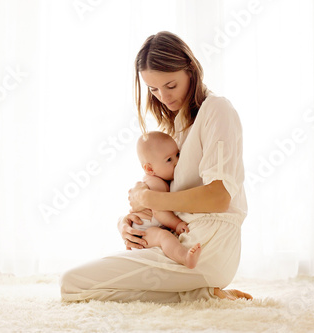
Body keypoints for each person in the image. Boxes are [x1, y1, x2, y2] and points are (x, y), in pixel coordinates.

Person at [60, 31, 252, 302]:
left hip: (209, 244)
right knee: (78, 284)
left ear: (191, 70)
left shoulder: (216, 110)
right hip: (176, 240)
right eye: (153, 89)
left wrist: (153, 198)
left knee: (73, 283)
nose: (163, 96)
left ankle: (200, 290)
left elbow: (219, 197)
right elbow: (160, 200)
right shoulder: (173, 127)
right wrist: (128, 224)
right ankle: (202, 295)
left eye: (170, 85)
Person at [133, 131, 201, 269]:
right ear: (149, 169)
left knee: (165, 236)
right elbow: (159, 211)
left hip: (151, 226)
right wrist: (176, 224)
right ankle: (185, 257)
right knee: (164, 237)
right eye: (169, 160)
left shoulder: (161, 179)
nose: (177, 162)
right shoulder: (154, 183)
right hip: (144, 230)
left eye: (177, 155)